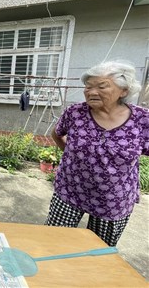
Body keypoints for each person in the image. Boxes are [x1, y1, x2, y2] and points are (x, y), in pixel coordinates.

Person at [46, 60, 149, 246]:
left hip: (113, 201)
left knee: (99, 251)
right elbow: (57, 133)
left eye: (102, 86)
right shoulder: (75, 112)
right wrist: (69, 155)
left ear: (123, 91)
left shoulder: (142, 120)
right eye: (88, 86)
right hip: (70, 191)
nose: (91, 92)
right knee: (54, 241)